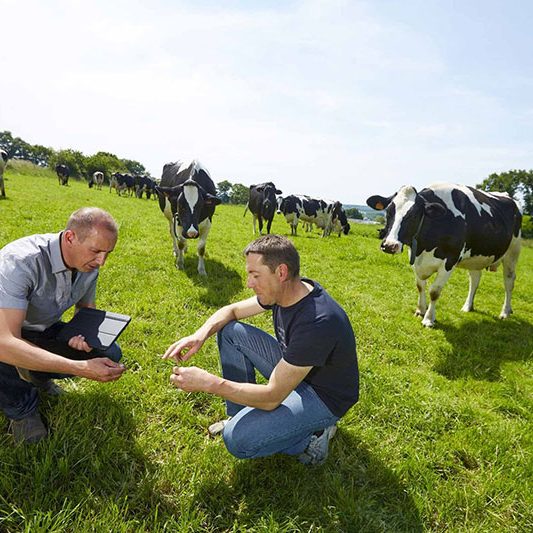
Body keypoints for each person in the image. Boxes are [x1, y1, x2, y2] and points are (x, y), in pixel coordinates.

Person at [163, 234, 359, 465]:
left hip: (323, 396)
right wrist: (199, 335)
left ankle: (313, 435)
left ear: (281, 272)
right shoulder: (285, 290)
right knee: (229, 331)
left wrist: (210, 383)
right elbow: (232, 310)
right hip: (296, 370)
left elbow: (272, 398)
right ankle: (239, 414)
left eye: (255, 275)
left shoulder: (317, 321)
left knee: (238, 439)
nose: (248, 283)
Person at [0, 207, 127, 444]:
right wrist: (80, 367)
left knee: (109, 351)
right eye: (96, 251)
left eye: (108, 253)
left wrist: (82, 336)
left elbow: (85, 311)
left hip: (43, 328)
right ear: (70, 237)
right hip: (5, 334)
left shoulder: (89, 264)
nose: (102, 261)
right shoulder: (20, 262)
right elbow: (5, 342)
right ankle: (21, 410)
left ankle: (34, 374)